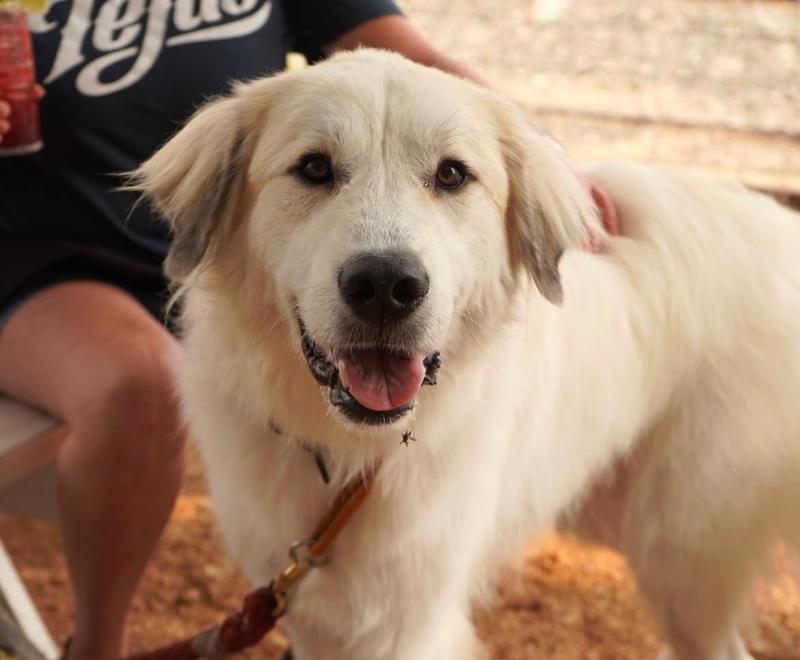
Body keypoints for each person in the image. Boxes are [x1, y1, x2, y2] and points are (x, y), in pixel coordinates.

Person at [0, 3, 614, 657]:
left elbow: (415, 65)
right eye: (316, 169)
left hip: (215, 256)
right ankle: (97, 647)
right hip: (46, 252)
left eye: (452, 177)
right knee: (142, 381)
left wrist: (539, 155)